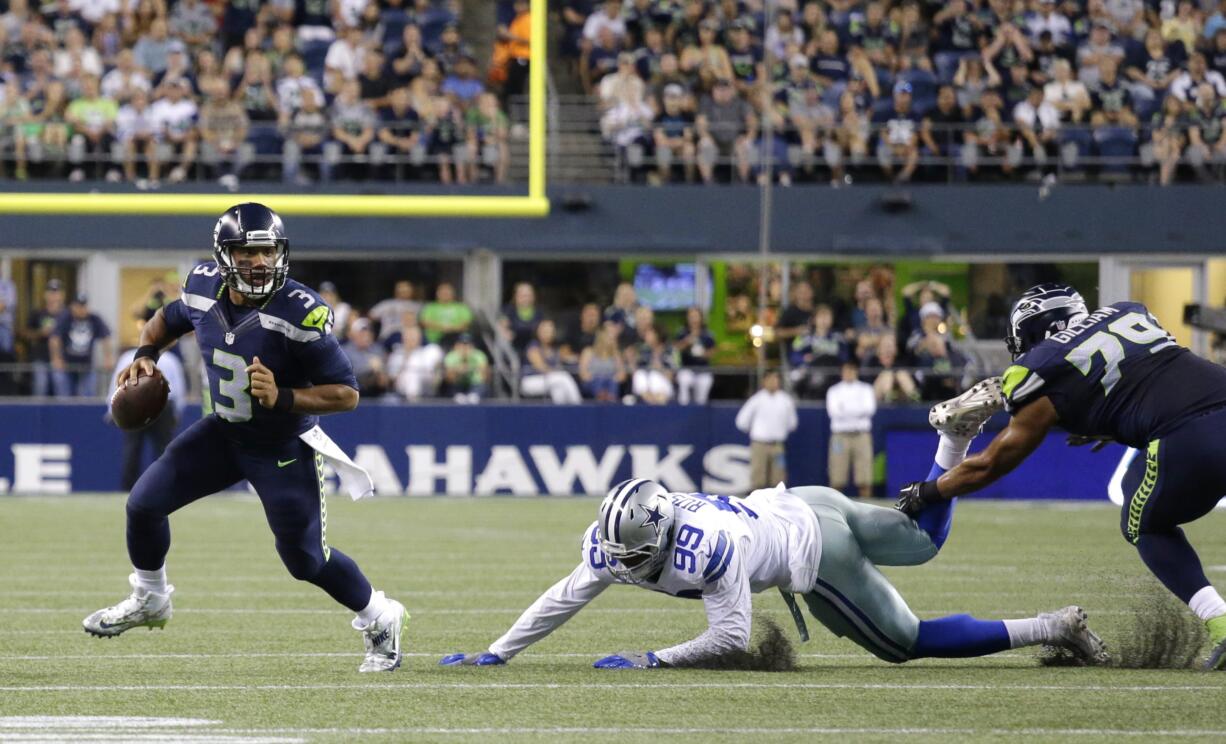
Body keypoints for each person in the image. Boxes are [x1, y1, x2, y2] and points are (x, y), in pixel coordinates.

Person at [81, 203, 407, 674]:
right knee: (143, 505)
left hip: (282, 447)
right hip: (223, 433)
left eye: (267, 251)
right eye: (246, 251)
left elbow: (347, 394)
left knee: (305, 561)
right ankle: (150, 598)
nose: (258, 262)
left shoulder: (301, 312)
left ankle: (380, 615)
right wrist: (146, 352)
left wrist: (284, 396)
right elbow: (164, 320)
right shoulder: (202, 288)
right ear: (224, 255)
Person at [895, 283, 1226, 670]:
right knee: (1130, 486)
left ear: (1036, 332)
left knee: (1144, 525)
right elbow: (1149, 374)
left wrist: (929, 491)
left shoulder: (1044, 367)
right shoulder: (1127, 311)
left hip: (1188, 436)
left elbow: (992, 464)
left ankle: (1220, 623)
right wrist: (1108, 419)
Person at [439, 478, 1107, 668]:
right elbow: (567, 594)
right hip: (807, 499)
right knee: (922, 539)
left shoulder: (707, 548)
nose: (623, 568)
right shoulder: (625, 537)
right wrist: (498, 652)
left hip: (817, 551)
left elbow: (729, 636)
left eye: (633, 557)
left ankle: (1053, 625)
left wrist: (657, 658)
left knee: (907, 644)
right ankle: (953, 446)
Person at [109, 346, 186, 491]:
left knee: (133, 450)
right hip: (163, 406)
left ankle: (128, 488)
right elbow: (179, 389)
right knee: (163, 451)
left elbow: (116, 384)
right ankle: (166, 487)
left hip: (135, 406)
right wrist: (177, 411)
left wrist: (111, 410)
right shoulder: (170, 359)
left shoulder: (127, 357)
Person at [735, 370, 797, 491]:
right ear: (764, 381)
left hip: (777, 445)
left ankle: (777, 506)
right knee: (758, 478)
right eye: (770, 379)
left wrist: (779, 432)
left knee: (779, 479)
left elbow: (792, 423)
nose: (773, 382)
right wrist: (757, 432)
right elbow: (741, 421)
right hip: (760, 444)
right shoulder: (757, 399)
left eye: (775, 379)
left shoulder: (785, 400)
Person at [826, 360, 876, 499]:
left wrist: (845, 409)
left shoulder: (866, 389)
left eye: (851, 370)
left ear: (856, 372)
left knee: (865, 478)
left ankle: (867, 512)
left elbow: (869, 409)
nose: (848, 373)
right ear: (842, 372)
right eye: (846, 370)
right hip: (840, 437)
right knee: (837, 477)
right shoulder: (834, 391)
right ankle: (835, 511)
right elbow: (834, 412)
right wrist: (857, 411)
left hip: (861, 436)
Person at [50, 294, 113, 398]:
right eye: (78, 306)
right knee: (63, 395)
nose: (81, 309)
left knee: (87, 396)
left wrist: (108, 358)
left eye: (83, 306)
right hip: (66, 366)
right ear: (72, 306)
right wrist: (56, 358)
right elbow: (54, 339)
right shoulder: (65, 318)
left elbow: (106, 337)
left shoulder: (94, 319)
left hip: (87, 366)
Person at [521, 319, 583, 404]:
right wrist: (558, 372)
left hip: (550, 380)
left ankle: (559, 413)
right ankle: (579, 405)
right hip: (529, 381)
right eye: (544, 331)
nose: (547, 333)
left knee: (558, 389)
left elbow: (571, 359)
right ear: (538, 332)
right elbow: (541, 368)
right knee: (563, 377)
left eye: (550, 330)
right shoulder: (533, 346)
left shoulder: (555, 348)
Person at [22, 278, 65, 396]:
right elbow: (25, 334)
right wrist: (40, 332)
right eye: (51, 292)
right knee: (41, 384)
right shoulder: (38, 313)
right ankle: (37, 414)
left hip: (61, 358)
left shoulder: (66, 315)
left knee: (60, 384)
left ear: (62, 295)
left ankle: (63, 414)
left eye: (56, 292)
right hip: (40, 356)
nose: (54, 295)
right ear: (45, 295)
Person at [674, 306, 714, 406]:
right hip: (686, 368)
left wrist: (704, 354)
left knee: (705, 383)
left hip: (702, 370)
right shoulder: (682, 332)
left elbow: (712, 352)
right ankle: (683, 409)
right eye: (691, 316)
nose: (694, 319)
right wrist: (687, 341)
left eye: (696, 316)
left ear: (701, 318)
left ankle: (699, 412)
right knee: (684, 380)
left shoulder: (707, 334)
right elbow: (676, 348)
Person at [578, 322, 626, 402]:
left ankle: (611, 402)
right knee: (599, 381)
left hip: (610, 382)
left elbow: (622, 374)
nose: (612, 337)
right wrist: (594, 378)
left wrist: (614, 378)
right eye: (609, 334)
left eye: (613, 334)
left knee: (611, 382)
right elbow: (583, 373)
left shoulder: (616, 354)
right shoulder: (588, 351)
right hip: (593, 382)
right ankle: (601, 400)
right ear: (602, 335)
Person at [419, 281, 473, 348]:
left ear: (453, 294)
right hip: (434, 341)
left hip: (457, 341)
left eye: (447, 292)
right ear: (437, 294)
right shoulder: (430, 307)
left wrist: (450, 329)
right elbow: (425, 322)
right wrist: (443, 328)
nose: (445, 294)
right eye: (442, 292)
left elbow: (465, 324)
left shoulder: (461, 307)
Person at [443, 333, 489, 404]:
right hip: (457, 385)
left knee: (482, 388)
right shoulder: (451, 356)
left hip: (475, 385)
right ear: (457, 345)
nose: (465, 347)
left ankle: (473, 397)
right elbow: (449, 380)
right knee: (452, 390)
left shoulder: (479, 356)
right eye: (462, 344)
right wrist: (457, 371)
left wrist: (472, 367)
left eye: (467, 344)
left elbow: (485, 378)